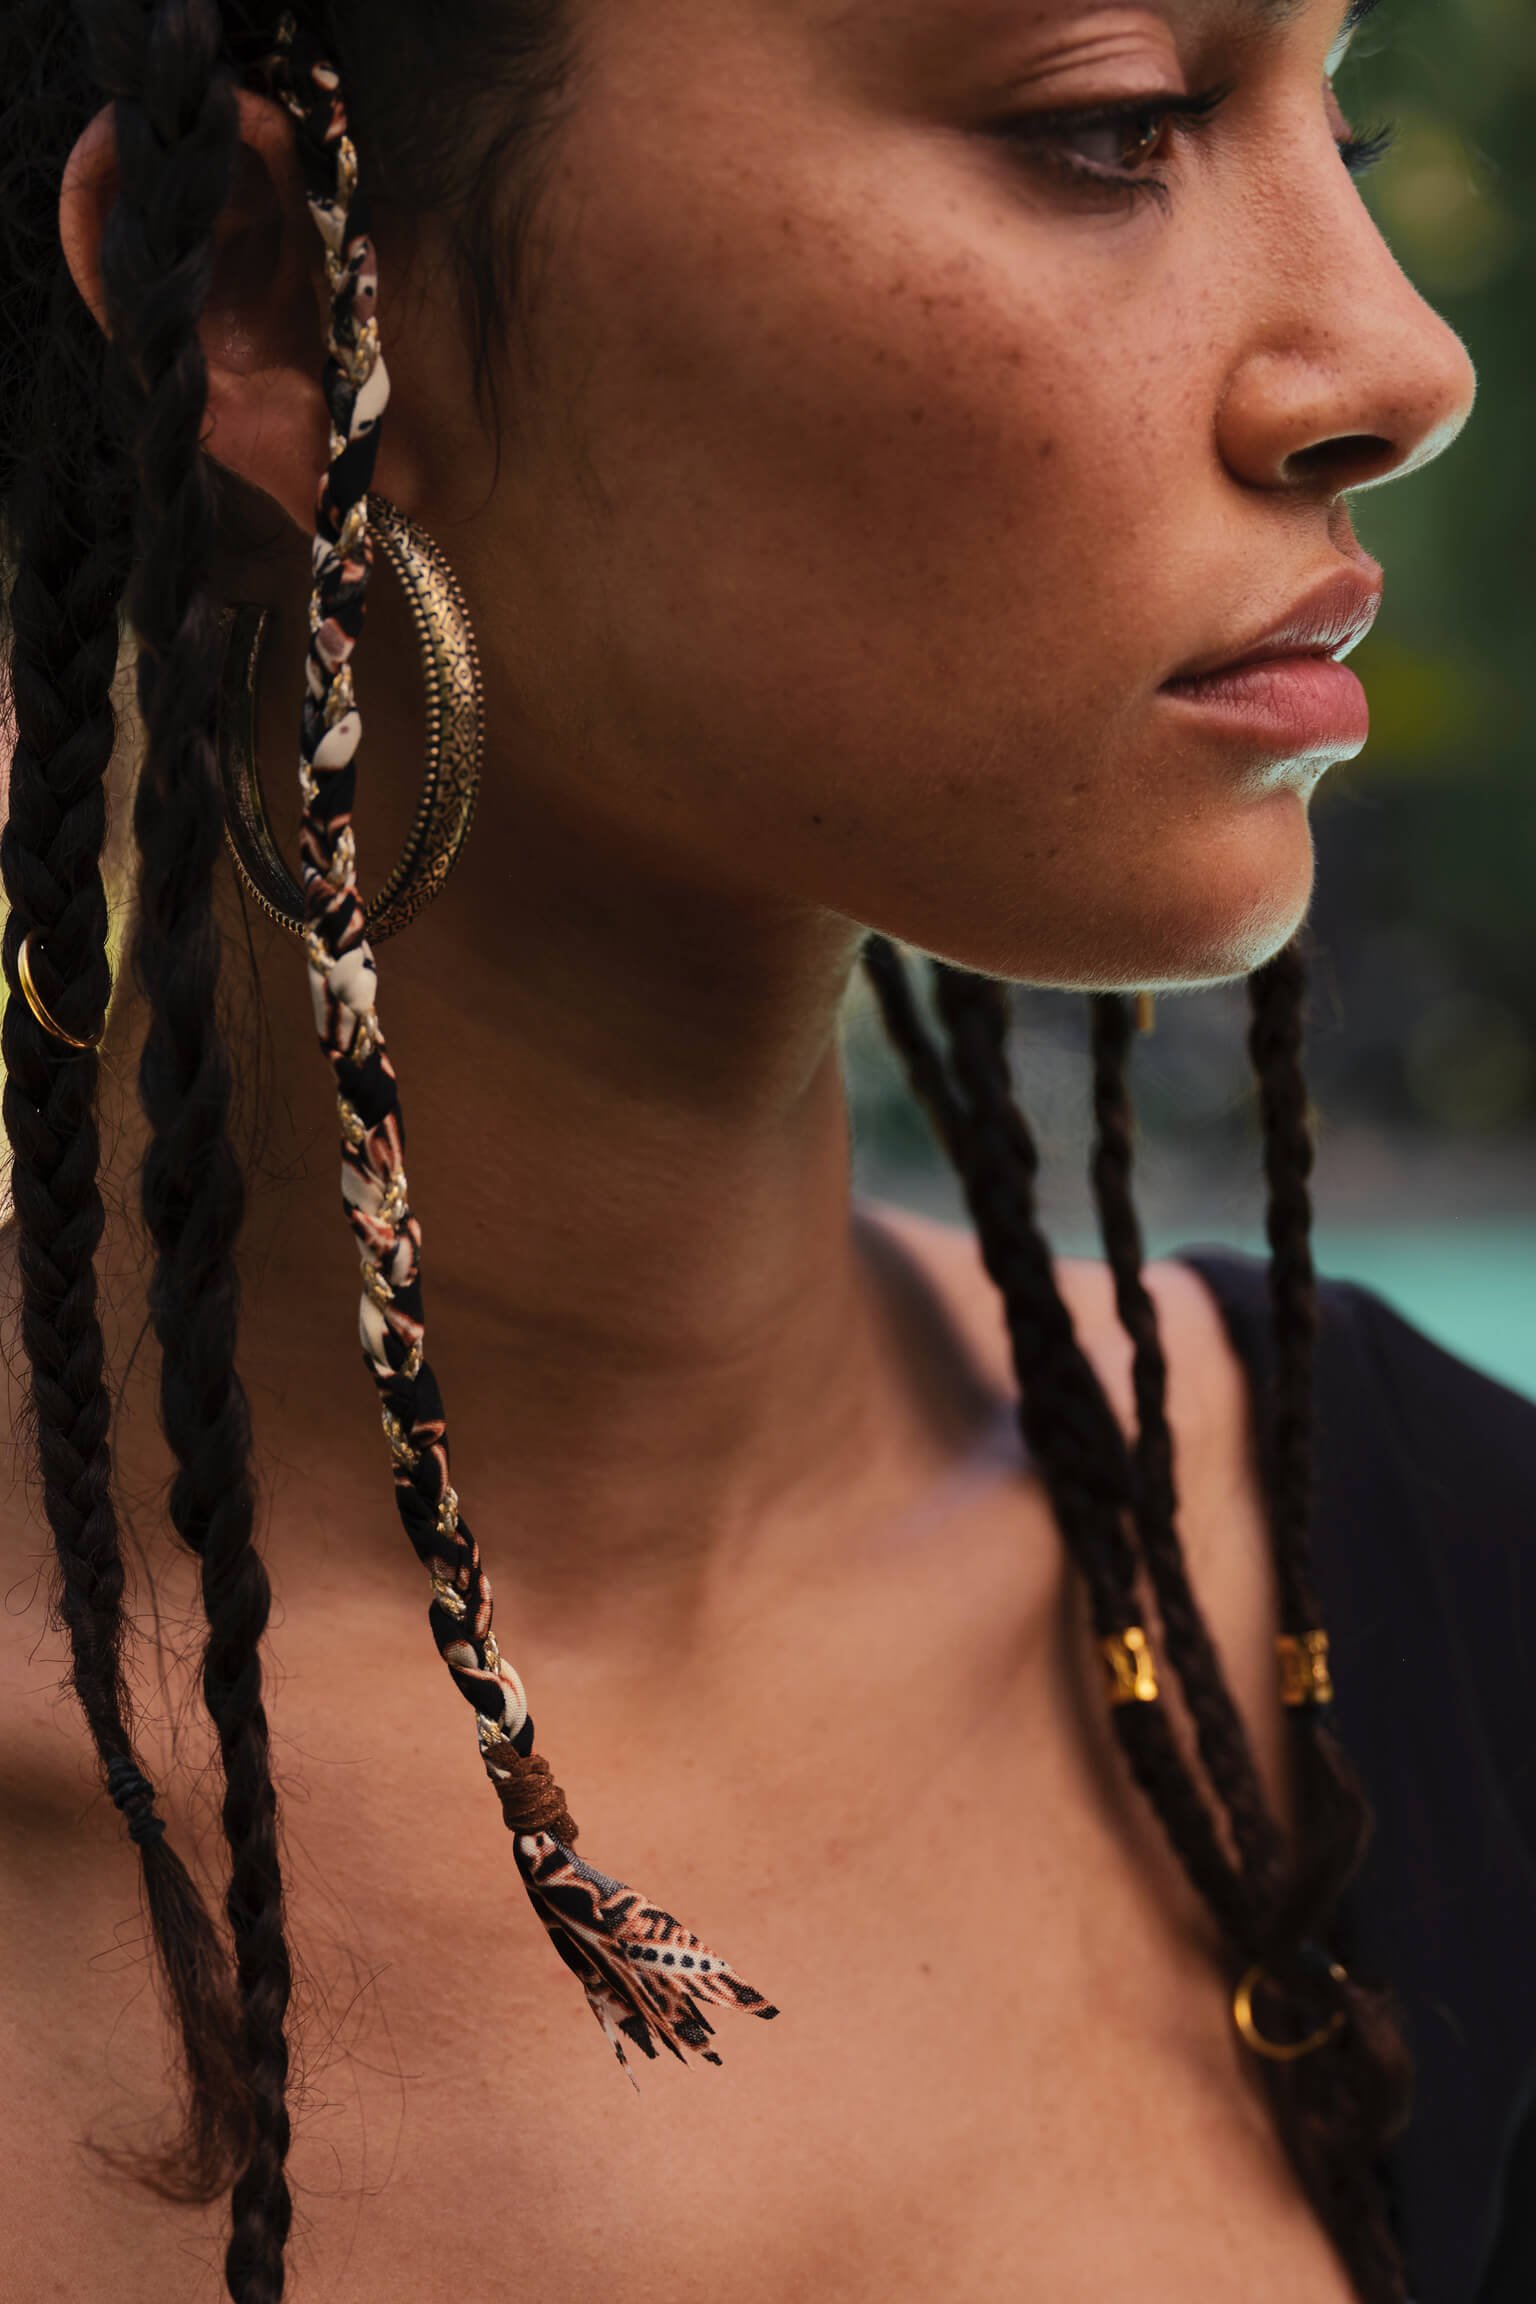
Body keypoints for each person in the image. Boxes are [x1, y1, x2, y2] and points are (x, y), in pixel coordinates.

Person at [0, 1, 1531, 2300]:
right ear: (264, 289)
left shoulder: (1434, 1612)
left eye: (1352, 109)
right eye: (1112, 130)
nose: (1401, 365)